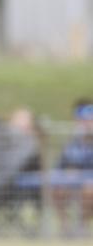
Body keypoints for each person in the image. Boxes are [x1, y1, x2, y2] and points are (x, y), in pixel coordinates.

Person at [52, 99, 93, 236]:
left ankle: (82, 226)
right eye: (82, 120)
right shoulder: (72, 143)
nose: (86, 124)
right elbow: (62, 165)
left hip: (89, 183)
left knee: (89, 191)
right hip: (72, 181)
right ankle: (65, 228)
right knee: (58, 190)